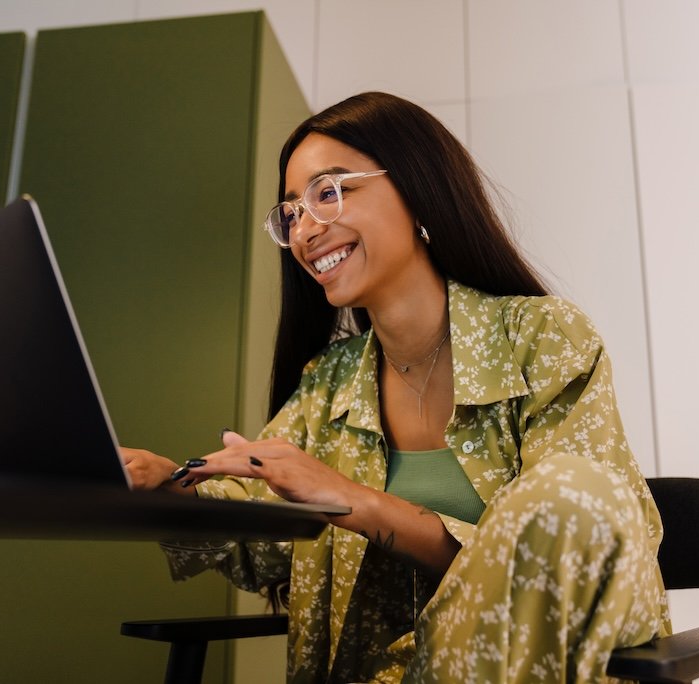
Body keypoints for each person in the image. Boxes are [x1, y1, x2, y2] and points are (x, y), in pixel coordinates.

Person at [122, 91, 671, 683]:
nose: (305, 229)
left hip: (564, 662)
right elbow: (261, 537)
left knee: (571, 490)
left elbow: (577, 532)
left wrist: (353, 501)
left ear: (416, 190)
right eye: (291, 213)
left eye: (328, 193)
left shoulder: (543, 338)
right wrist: (165, 485)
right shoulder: (327, 384)